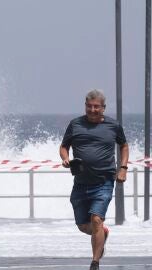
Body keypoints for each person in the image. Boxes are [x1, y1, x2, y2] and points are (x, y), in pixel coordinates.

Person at [60, 89, 129, 270]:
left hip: (104, 182)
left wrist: (123, 168)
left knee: (96, 219)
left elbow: (124, 146)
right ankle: (102, 234)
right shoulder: (75, 124)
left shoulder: (113, 126)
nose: (92, 110)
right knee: (84, 226)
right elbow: (64, 146)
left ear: (103, 108)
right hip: (81, 183)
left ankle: (95, 262)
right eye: (89, 106)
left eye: (96, 107)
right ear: (85, 106)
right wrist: (65, 158)